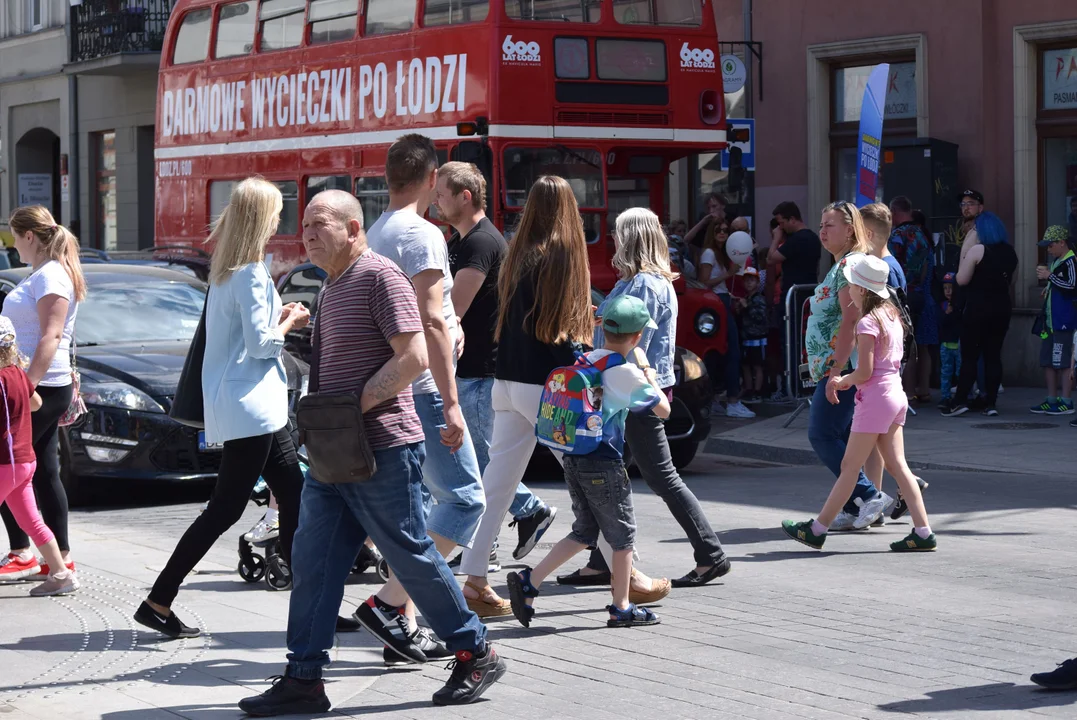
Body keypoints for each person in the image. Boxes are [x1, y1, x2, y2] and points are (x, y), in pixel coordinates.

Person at [238, 190, 505, 716]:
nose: (308, 232)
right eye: (305, 224)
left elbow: (414, 356)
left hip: (382, 447)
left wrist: (354, 406)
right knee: (312, 563)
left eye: (321, 223)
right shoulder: (332, 286)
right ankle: (305, 678)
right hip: (333, 454)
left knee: (411, 554)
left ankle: (476, 652)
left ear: (354, 228)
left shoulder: (379, 276)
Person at [459, 176, 669, 613]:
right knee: (599, 482)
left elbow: (525, 320)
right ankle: (627, 578)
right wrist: (584, 350)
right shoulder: (560, 253)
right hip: (548, 388)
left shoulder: (516, 251)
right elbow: (555, 331)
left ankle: (474, 579)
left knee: (497, 486)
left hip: (507, 380)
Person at [135, 178, 308, 639]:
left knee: (292, 495)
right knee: (227, 509)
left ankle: (310, 602)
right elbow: (260, 345)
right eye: (276, 211)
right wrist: (291, 318)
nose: (280, 220)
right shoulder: (249, 270)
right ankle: (158, 599)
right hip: (254, 408)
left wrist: (275, 314)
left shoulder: (225, 269)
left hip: (249, 407)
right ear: (262, 217)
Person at [560, 208, 729, 590]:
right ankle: (602, 560)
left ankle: (711, 554)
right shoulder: (638, 281)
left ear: (631, 239)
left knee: (659, 476)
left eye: (618, 234)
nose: (613, 241)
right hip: (627, 392)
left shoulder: (644, 286)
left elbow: (634, 347)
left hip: (632, 394)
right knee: (608, 474)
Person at [365, 135, 488, 622]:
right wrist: (453, 402)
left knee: (417, 510)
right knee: (464, 501)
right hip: (425, 389)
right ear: (431, 177)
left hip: (396, 387)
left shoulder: (376, 231)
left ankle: (405, 614)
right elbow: (432, 319)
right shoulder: (421, 234)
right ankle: (391, 602)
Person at [507, 295, 669, 630]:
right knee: (622, 537)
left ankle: (529, 581)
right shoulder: (624, 373)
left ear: (604, 329)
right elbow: (663, 409)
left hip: (574, 459)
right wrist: (647, 369)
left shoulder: (588, 359)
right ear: (638, 337)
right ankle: (621, 606)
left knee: (584, 531)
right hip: (605, 463)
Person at [436, 161, 558, 567]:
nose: (435, 200)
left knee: (481, 460)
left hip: (478, 369)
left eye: (441, 194)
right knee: (477, 459)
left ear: (464, 197)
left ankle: (528, 511)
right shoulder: (460, 241)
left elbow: (454, 309)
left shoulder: (481, 243)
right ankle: (483, 544)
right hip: (470, 369)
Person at [782, 254, 935, 552]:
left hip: (874, 398)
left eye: (852, 285)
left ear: (863, 290)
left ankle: (816, 530)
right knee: (898, 467)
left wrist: (842, 380)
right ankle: (923, 531)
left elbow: (864, 371)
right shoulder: (892, 314)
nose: (848, 289)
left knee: (850, 466)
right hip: (895, 395)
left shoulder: (866, 322)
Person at [0, 206, 85, 582]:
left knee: (8, 462)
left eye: (14, 236)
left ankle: (26, 552)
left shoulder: (51, 275)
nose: (13, 243)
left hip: (42, 385)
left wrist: (25, 387)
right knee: (41, 469)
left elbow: (51, 335)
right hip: (41, 385)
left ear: (29, 236)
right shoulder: (45, 273)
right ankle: (56, 557)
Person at [805, 202, 892, 530]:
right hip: (840, 367)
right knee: (850, 437)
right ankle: (859, 505)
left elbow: (851, 320)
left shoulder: (849, 265)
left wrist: (835, 372)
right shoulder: (842, 264)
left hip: (843, 369)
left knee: (823, 434)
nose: (823, 231)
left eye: (830, 225)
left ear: (851, 230)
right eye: (821, 225)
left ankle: (869, 496)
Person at [0, 316, 77, 596]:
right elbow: (37, 403)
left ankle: (60, 574)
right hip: (24, 462)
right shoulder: (18, 375)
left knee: (30, 520)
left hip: (4, 463)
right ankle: (61, 574)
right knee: (32, 521)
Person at [941, 212, 1018, 417]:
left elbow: (961, 279)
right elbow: (1013, 281)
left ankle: (960, 400)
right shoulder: (1010, 252)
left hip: (977, 309)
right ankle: (990, 402)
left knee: (970, 356)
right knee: (994, 355)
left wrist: (967, 245)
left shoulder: (978, 250)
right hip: (1002, 309)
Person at [698, 217, 755, 418]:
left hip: (722, 300)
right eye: (718, 230)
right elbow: (704, 282)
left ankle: (718, 399)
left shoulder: (721, 254)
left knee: (725, 351)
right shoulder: (709, 253)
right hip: (715, 303)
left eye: (725, 230)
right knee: (730, 350)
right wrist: (728, 274)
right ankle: (732, 400)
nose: (722, 233)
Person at [888, 196, 937, 404]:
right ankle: (924, 390)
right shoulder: (923, 235)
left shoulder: (897, 236)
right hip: (925, 296)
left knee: (905, 345)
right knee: (923, 345)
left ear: (894, 213)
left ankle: (907, 392)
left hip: (904, 296)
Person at [1031, 226, 1077, 415]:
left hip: (1064, 319)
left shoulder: (1071, 261)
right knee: (1048, 360)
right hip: (1051, 320)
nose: (1048, 250)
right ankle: (1051, 399)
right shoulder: (1057, 262)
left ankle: (1066, 400)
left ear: (1061, 243)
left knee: (1064, 360)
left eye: (1050, 246)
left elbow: (1073, 286)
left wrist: (1050, 277)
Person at [737, 267, 768, 403]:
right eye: (746, 280)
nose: (749, 283)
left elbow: (760, 317)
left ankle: (757, 392)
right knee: (745, 365)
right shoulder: (745, 298)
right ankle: (748, 389)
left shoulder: (759, 299)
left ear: (757, 282)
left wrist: (747, 307)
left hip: (758, 338)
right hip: (746, 337)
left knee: (757, 365)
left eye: (752, 280)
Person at [861, 203, 905, 292]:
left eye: (858, 230)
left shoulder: (887, 270)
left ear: (868, 234)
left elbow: (892, 306)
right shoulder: (885, 266)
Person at [937, 273, 962, 410]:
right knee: (946, 372)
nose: (948, 291)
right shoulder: (942, 305)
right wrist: (946, 314)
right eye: (945, 288)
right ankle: (945, 396)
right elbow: (940, 323)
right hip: (946, 345)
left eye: (950, 288)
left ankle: (962, 396)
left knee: (960, 372)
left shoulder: (959, 305)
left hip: (958, 345)